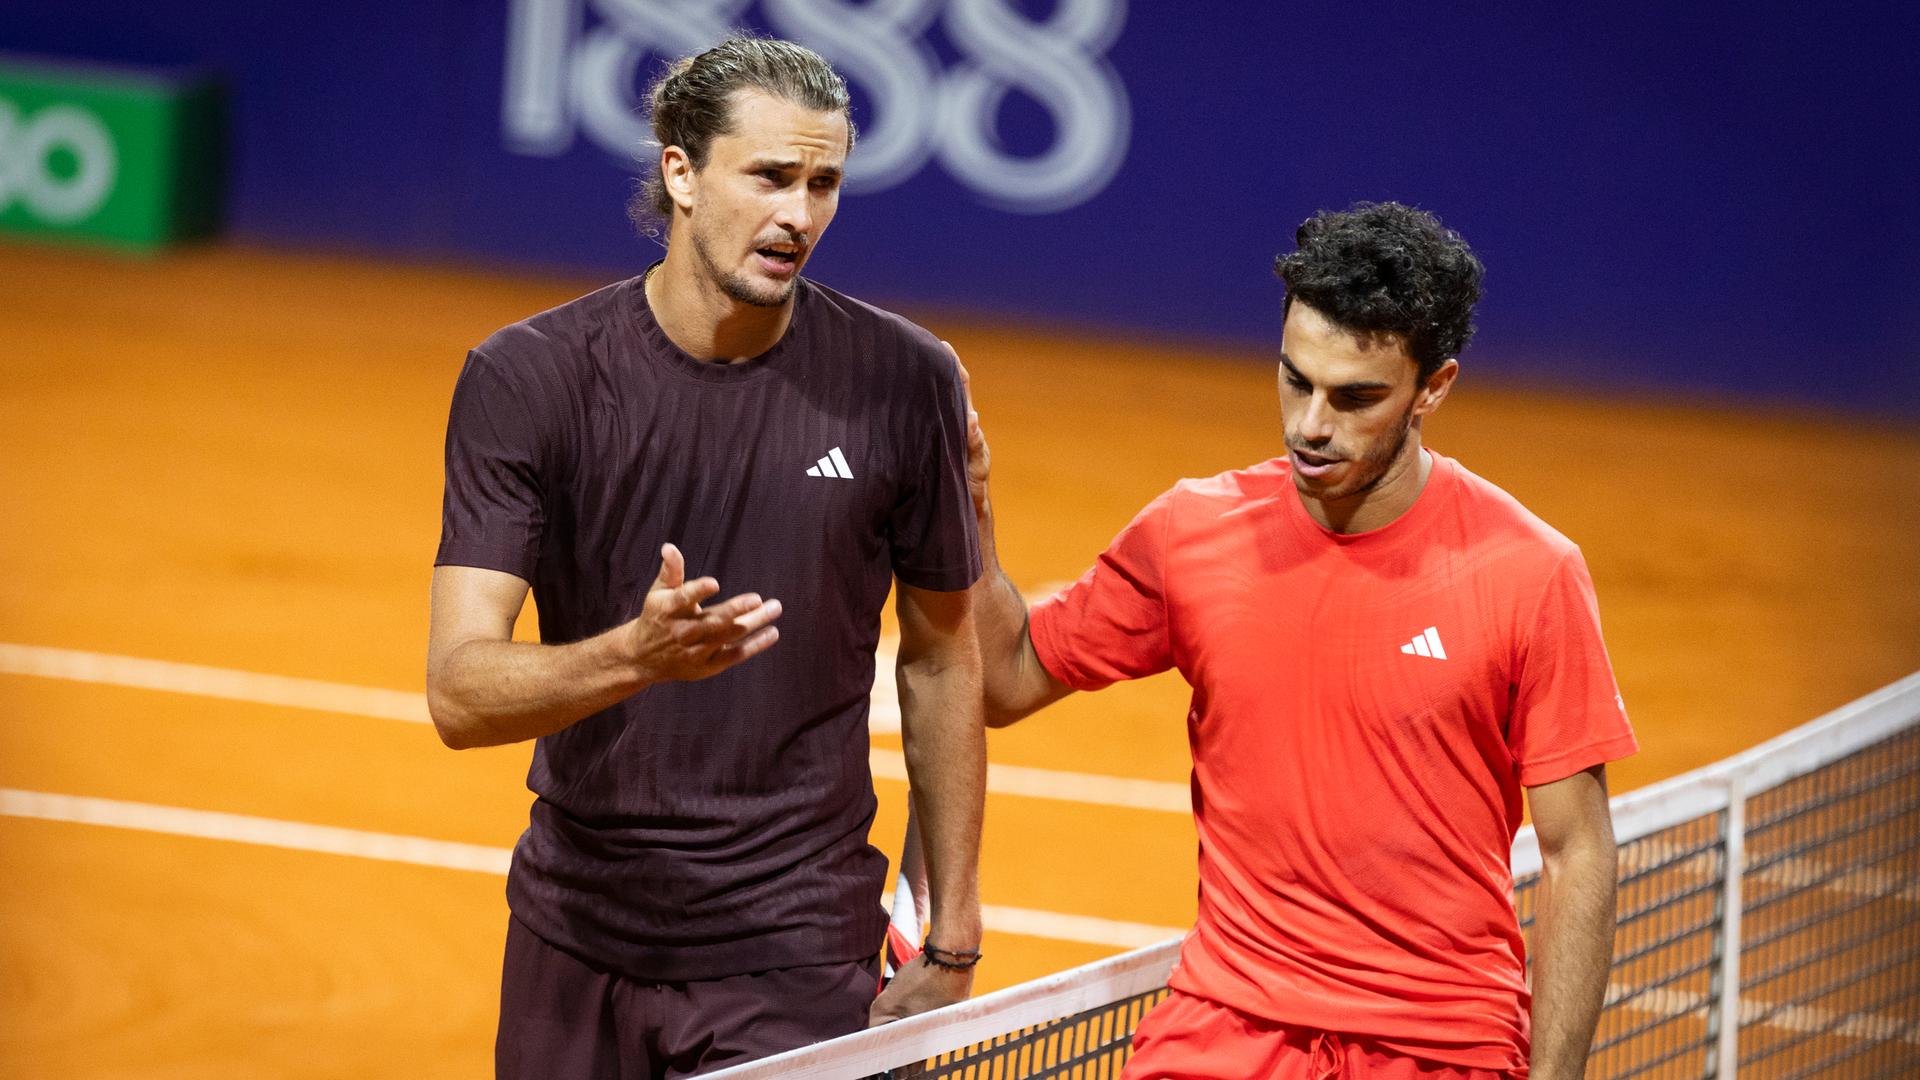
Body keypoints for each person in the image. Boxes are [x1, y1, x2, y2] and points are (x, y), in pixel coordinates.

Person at [962, 202, 1635, 1080]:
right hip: (1225, 1029)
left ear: (1434, 387)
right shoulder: (1193, 534)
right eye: (1295, 380)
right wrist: (965, 508)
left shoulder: (1530, 573)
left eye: (1355, 398)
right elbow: (1004, 680)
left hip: (1437, 1046)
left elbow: (1576, 849)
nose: (1312, 425)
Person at [425, 36, 985, 1080]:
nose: (801, 216)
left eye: (825, 184)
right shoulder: (527, 380)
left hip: (794, 950)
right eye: (770, 177)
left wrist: (947, 931)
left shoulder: (906, 380)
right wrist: (635, 656)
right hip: (575, 932)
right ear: (680, 171)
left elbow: (945, 653)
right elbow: (459, 695)